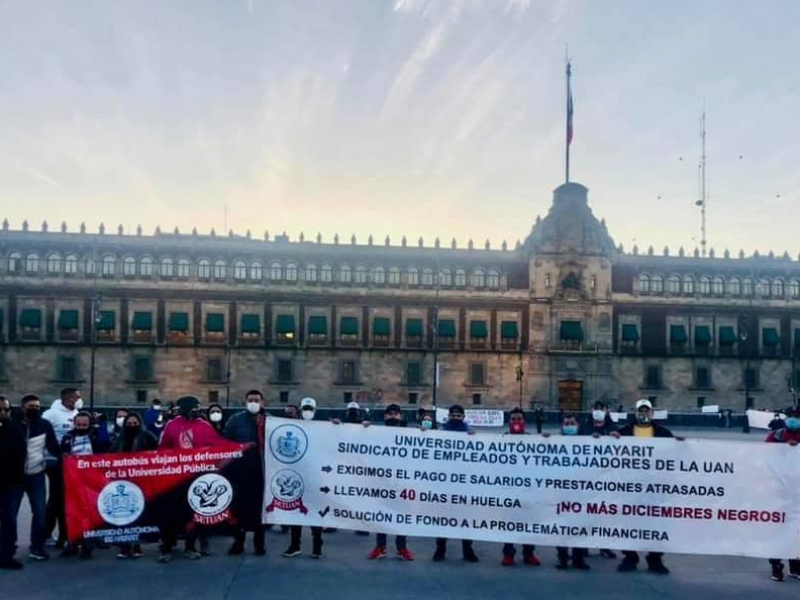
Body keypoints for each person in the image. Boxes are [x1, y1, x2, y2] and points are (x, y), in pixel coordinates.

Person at [615, 399, 682, 574]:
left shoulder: (663, 433)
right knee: (629, 522)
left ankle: (655, 558)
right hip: (630, 486)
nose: (643, 414)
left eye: (647, 411)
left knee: (657, 523)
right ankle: (630, 557)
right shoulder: (623, 432)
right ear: (635, 413)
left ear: (652, 413)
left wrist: (681, 444)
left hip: (655, 487)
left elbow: (675, 455)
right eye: (640, 411)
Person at [158, 395, 223, 562]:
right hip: (174, 478)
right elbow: (163, 450)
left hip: (197, 478)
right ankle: (166, 548)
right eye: (193, 409)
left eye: (198, 408)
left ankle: (190, 546)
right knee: (170, 514)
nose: (197, 412)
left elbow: (218, 449)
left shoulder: (205, 426)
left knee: (193, 515)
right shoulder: (172, 426)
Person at [59, 412, 110, 559]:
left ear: (89, 424)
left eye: (84, 425)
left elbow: (105, 445)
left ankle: (88, 544)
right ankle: (73, 542)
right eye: (79, 424)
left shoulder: (95, 435)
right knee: (73, 512)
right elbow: (62, 455)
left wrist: (102, 426)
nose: (81, 427)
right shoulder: (68, 437)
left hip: (92, 479)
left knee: (91, 513)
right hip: (72, 479)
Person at [223, 390, 268, 557]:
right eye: (250, 400)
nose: (253, 402)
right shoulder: (236, 420)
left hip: (261, 473)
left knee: (259, 510)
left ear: (262, 402)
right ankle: (238, 542)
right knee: (238, 509)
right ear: (245, 402)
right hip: (240, 472)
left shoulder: (269, 420)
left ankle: (259, 544)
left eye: (256, 400)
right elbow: (225, 442)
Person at [432, 405, 479, 563]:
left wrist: (474, 437)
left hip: (465, 485)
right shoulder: (441, 432)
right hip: (445, 484)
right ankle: (440, 548)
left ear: (463, 417)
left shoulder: (470, 432)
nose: (456, 418)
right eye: (453, 415)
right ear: (449, 416)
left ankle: (467, 549)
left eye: (459, 415)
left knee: (466, 519)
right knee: (443, 519)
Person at [367, 405, 414, 561]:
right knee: (381, 516)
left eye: (395, 414)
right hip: (382, 483)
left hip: (402, 484)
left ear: (400, 416)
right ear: (385, 416)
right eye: (389, 414)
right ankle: (380, 547)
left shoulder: (411, 433)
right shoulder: (375, 433)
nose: (392, 416)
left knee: (401, 517)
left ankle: (402, 548)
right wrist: (362, 430)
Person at [110, 413, 158, 559]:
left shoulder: (148, 437)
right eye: (129, 424)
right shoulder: (119, 439)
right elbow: (109, 456)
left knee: (138, 513)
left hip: (141, 480)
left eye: (134, 423)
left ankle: (137, 544)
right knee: (122, 515)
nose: (132, 426)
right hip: (122, 480)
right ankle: (124, 546)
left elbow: (156, 455)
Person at [18, 394, 60, 561]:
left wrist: (67, 461)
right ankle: (7, 548)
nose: (34, 408)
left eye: (36, 406)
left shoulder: (45, 425)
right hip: (14, 477)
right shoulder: (12, 424)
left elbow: (54, 447)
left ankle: (37, 547)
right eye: (31, 406)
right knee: (9, 514)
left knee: (40, 513)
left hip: (36, 474)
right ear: (22, 407)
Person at [283, 397, 324, 559]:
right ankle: (295, 545)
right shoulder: (293, 427)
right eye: (305, 409)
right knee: (295, 511)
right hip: (297, 475)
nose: (308, 412)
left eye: (310, 409)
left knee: (315, 513)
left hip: (316, 477)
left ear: (315, 411)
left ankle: (317, 545)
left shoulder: (323, 428)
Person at [501, 408, 540, 567]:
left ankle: (529, 553)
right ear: (509, 422)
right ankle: (508, 554)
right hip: (508, 491)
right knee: (509, 524)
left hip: (528, 491)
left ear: (524, 421)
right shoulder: (500, 440)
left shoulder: (533, 441)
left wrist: (547, 441)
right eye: (513, 419)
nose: (516, 422)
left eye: (519, 419)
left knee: (528, 524)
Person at [765, 406, 800, 582]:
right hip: (778, 490)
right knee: (778, 528)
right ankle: (776, 566)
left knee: (797, 530)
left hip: (798, 491)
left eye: (797, 416)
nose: (794, 419)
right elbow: (763, 457)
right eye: (791, 416)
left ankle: (795, 566)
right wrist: (787, 450)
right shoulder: (776, 436)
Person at [579, 401, 617, 559]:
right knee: (586, 513)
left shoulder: (614, 429)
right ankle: (585, 545)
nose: (598, 411)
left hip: (608, 478)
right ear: (591, 410)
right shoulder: (584, 428)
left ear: (607, 411)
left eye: (601, 408)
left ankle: (605, 545)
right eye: (596, 408)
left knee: (606, 515)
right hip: (586, 478)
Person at [42, 387, 79, 549]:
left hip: (71, 464)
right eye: (74, 397)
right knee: (57, 498)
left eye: (77, 397)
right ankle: (47, 534)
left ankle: (64, 533)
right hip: (54, 462)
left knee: (64, 499)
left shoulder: (75, 413)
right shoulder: (51, 414)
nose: (76, 400)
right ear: (66, 397)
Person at [0, 395, 27, 569]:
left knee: (9, 520)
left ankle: (7, 555)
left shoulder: (16, 429)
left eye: (6, 410)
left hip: (11, 483)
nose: (2, 413)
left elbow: (21, 454)